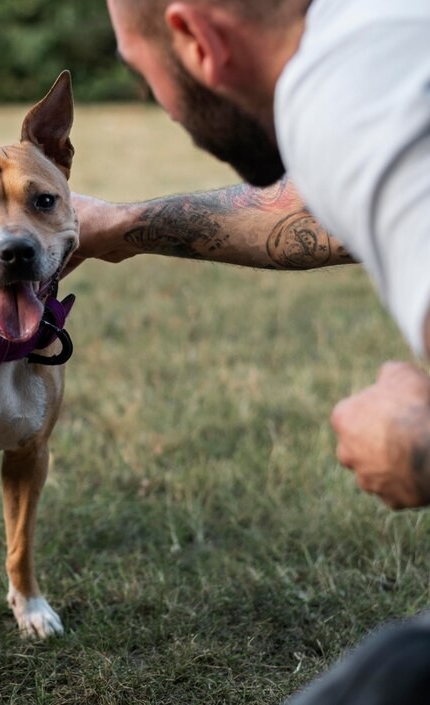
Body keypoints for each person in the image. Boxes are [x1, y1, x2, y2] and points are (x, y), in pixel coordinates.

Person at [70, 0, 430, 702]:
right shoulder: (380, 43)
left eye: (138, 68)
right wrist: (121, 226)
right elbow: (314, 212)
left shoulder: (344, 99)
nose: (149, 95)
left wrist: (414, 442)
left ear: (196, 39)